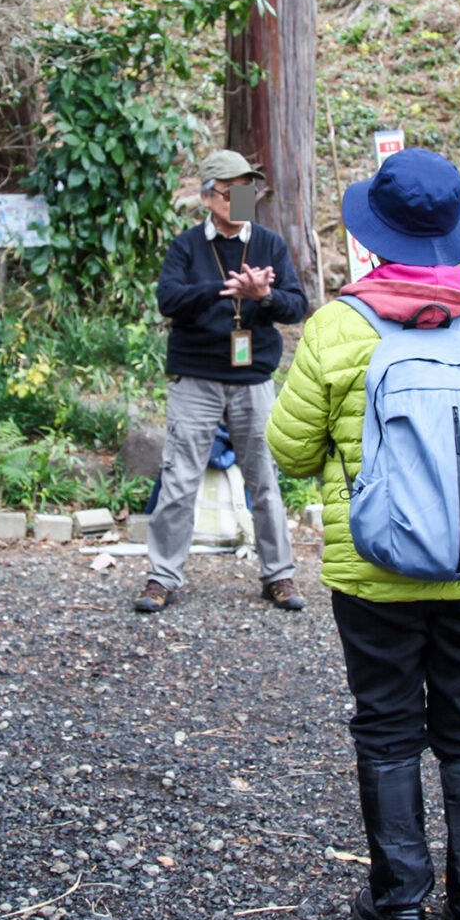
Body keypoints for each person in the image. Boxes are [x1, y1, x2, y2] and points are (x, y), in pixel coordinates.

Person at [267, 149, 460, 920]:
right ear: (452, 234)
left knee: (389, 723)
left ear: (375, 235)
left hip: (375, 572)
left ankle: (398, 902)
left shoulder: (337, 327)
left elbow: (289, 452)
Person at [134, 150, 311, 616]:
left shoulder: (270, 244)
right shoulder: (187, 246)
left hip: (253, 377)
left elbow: (297, 306)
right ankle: (162, 576)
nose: (243, 197)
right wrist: (224, 289)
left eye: (249, 189)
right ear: (209, 195)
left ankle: (279, 574)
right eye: (234, 190)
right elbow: (168, 300)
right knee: (179, 478)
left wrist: (264, 295)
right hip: (196, 377)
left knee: (265, 478)